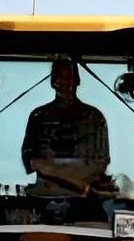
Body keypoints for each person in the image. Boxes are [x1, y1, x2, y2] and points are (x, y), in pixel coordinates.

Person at [20, 57, 112, 196]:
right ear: (52, 81)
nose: (64, 82)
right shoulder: (38, 116)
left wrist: (54, 168)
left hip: (84, 198)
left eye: (69, 77)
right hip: (46, 196)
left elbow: (101, 162)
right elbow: (29, 159)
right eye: (59, 77)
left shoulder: (93, 117)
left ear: (76, 81)